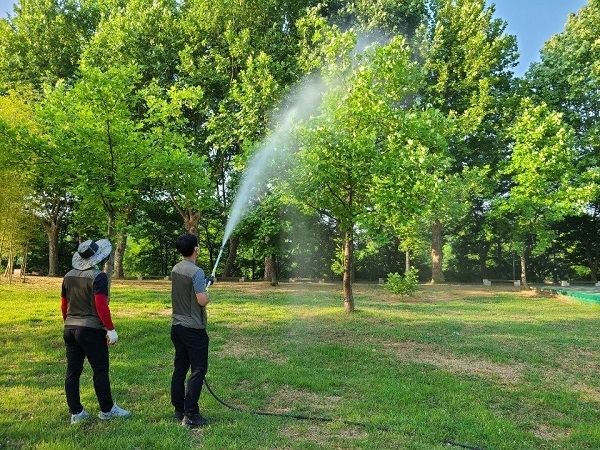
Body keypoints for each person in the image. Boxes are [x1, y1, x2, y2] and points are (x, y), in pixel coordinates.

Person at [61, 238, 131, 424]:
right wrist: (110, 329)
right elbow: (101, 306)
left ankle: (76, 412)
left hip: (69, 327)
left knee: (72, 371)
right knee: (100, 370)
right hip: (90, 329)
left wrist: (68, 323)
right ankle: (107, 410)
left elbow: (64, 304)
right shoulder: (98, 276)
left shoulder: (68, 276)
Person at [170, 233, 213, 428]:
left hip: (177, 326)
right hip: (193, 329)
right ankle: (191, 414)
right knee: (198, 370)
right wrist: (207, 292)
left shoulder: (176, 268)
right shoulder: (196, 272)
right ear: (195, 249)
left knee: (180, 369)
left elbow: (189, 291)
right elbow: (201, 300)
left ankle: (179, 409)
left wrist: (203, 285)